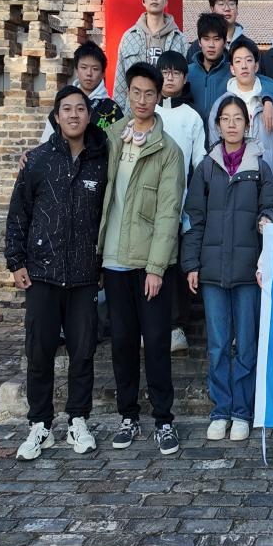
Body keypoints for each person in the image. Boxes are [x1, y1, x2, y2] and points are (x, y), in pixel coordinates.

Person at [7, 86, 108, 461]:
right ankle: (40, 425)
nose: (74, 115)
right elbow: (18, 213)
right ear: (56, 116)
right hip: (42, 273)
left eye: (80, 109)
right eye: (67, 109)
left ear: (89, 115)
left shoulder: (102, 160)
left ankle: (78, 420)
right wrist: (16, 261)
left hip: (84, 275)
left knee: (83, 352)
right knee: (39, 351)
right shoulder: (37, 161)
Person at [99, 62, 186, 457]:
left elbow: (169, 214)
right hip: (114, 259)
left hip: (150, 265)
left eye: (150, 93)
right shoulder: (112, 138)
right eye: (136, 92)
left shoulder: (169, 151)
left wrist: (156, 267)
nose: (142, 100)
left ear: (159, 96)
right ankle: (128, 416)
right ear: (128, 93)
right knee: (121, 343)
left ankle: (164, 420)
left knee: (155, 343)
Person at [183, 97, 273, 444]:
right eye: (226, 119)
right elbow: (194, 218)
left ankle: (242, 411)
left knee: (247, 345)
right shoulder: (207, 168)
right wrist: (191, 264)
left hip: (248, 272)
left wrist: (265, 218)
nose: (232, 124)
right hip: (212, 272)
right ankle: (220, 410)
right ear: (218, 125)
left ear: (247, 125)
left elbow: (271, 207)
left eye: (238, 119)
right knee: (219, 345)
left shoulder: (260, 168)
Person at [155, 50, 208, 354]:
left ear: (185, 78)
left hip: (181, 202)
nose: (170, 77)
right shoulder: (147, 112)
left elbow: (200, 162)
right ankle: (151, 324)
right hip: (149, 203)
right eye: (165, 72)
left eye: (176, 72)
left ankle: (177, 327)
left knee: (177, 265)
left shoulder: (191, 117)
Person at [188, 12, 273, 141]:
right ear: (199, 42)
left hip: (223, 142)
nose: (211, 45)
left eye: (217, 39)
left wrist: (268, 101)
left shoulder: (233, 70)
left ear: (225, 42)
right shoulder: (188, 72)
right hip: (193, 141)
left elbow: (265, 81)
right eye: (206, 39)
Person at [207, 40, 273, 181]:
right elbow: (215, 144)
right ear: (232, 69)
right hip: (231, 180)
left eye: (249, 60)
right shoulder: (220, 105)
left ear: (256, 66)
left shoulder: (271, 104)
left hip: (266, 180)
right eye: (238, 61)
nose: (244, 66)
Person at [113, 0, 186, 112]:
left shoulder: (179, 38)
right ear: (143, 0)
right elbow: (120, 82)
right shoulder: (129, 37)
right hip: (135, 112)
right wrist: (119, 114)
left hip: (169, 111)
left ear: (166, 1)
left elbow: (185, 79)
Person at [40, 43, 123, 142]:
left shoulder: (111, 109)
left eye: (95, 69)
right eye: (84, 67)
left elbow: (118, 146)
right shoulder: (62, 105)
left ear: (103, 74)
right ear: (76, 70)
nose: (89, 73)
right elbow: (44, 144)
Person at [188, 0, 259, 60]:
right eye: (221, 4)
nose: (227, 9)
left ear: (237, 9)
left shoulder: (249, 45)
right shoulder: (197, 47)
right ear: (212, 9)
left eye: (231, 4)